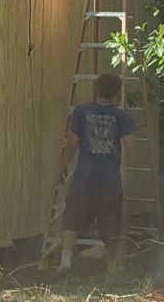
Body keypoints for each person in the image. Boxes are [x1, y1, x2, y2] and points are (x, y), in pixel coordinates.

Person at [58, 72, 136, 272]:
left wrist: (62, 166)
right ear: (117, 94)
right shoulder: (121, 116)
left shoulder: (81, 112)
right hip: (109, 180)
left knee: (72, 218)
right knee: (111, 223)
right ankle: (112, 267)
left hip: (83, 177)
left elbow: (72, 143)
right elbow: (131, 146)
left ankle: (65, 261)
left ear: (96, 90)